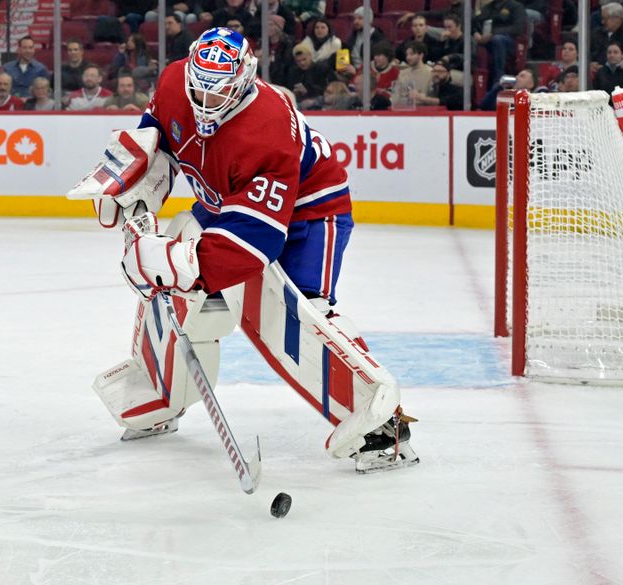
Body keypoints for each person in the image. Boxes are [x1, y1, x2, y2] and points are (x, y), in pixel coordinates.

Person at [69, 27, 418, 473]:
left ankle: (381, 425)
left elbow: (256, 242)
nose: (203, 106)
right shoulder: (177, 81)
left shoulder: (266, 131)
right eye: (199, 92)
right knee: (177, 282)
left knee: (297, 310)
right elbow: (157, 136)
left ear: (244, 82)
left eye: (217, 97)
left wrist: (178, 264)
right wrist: (133, 182)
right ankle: (161, 392)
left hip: (309, 212)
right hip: (226, 198)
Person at [472, 0, 527, 85]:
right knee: (472, 41)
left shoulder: (516, 6)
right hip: (488, 39)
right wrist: (476, 33)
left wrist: (493, 33)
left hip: (510, 41)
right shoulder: (489, 7)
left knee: (497, 40)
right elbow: (475, 22)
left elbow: (518, 28)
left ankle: (498, 78)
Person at [592, 40, 623, 108]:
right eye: (609, 52)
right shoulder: (600, 72)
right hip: (606, 109)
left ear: (622, 55)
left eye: (615, 52)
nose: (612, 55)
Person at [284, 42, 335, 109]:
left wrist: (307, 91)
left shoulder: (322, 69)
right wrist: (293, 93)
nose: (302, 63)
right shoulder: (293, 72)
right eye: (298, 61)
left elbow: (326, 90)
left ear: (310, 56)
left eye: (304, 59)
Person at [589, 2, 623, 68]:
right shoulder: (596, 33)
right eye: (602, 18)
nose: (602, 22)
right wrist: (591, 63)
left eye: (605, 18)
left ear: (617, 18)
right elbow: (590, 52)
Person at [391, 41, 433, 109]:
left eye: (412, 54)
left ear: (421, 55)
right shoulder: (402, 73)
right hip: (405, 111)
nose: (408, 58)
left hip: (427, 112)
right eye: (407, 54)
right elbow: (395, 98)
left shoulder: (431, 73)